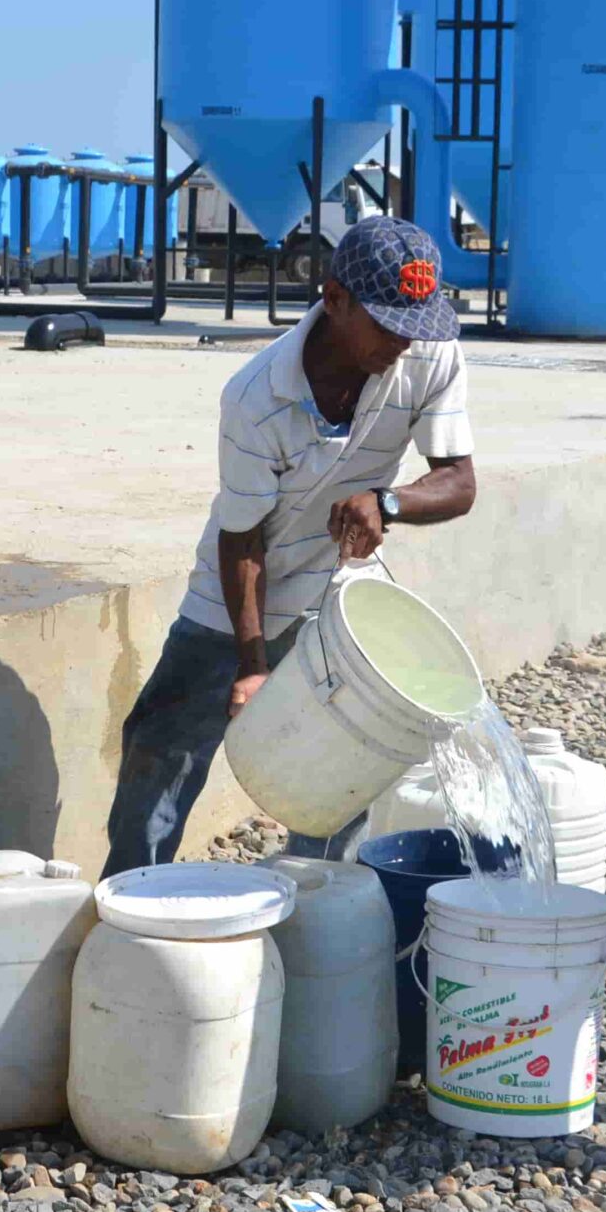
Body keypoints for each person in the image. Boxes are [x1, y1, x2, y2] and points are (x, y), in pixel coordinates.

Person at [100, 215, 478, 878]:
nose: (404, 341)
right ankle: (134, 902)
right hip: (237, 596)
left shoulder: (428, 353)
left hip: (342, 596)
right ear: (334, 300)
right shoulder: (256, 398)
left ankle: (317, 914)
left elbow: (458, 482)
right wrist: (250, 663)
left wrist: (387, 502)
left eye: (415, 323)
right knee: (162, 754)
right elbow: (241, 538)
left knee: (344, 768)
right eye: (387, 323)